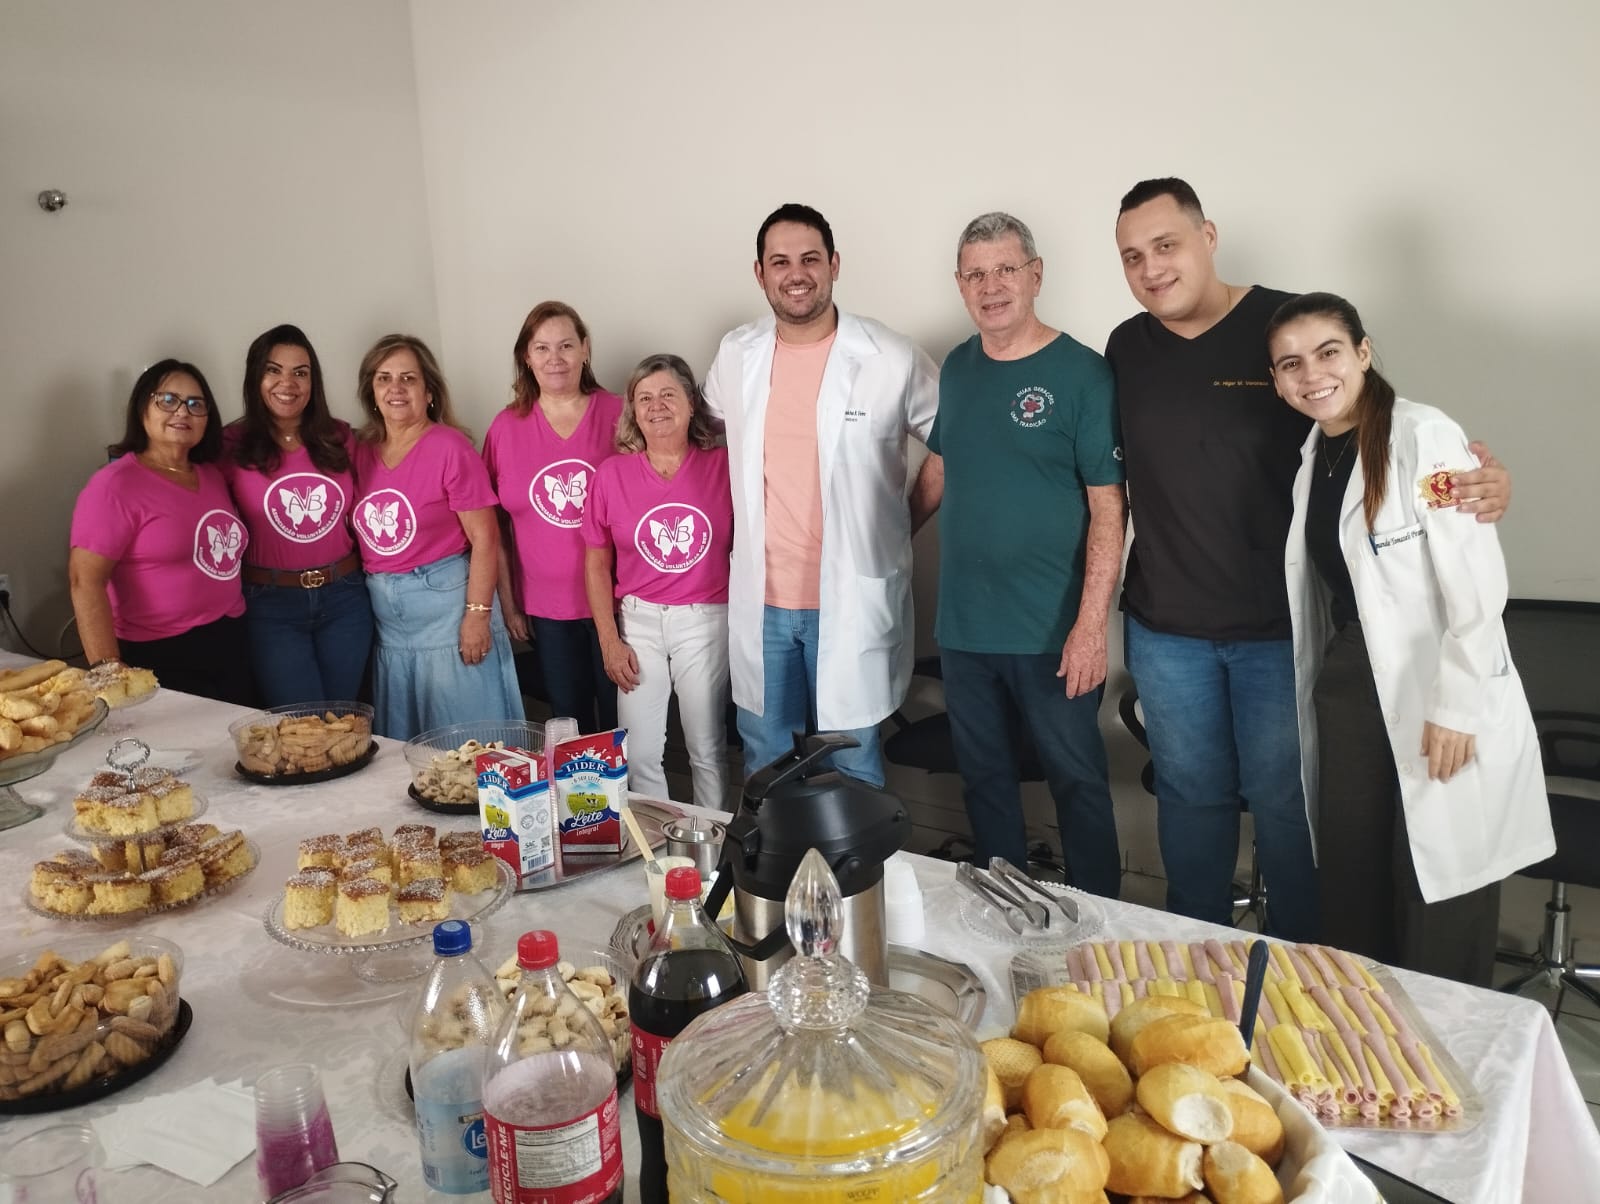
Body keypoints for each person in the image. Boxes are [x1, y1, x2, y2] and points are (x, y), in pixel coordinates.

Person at [1105, 178, 1514, 939]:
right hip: (1167, 630)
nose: (1151, 267)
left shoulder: (1285, 329)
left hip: (1280, 630)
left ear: (1208, 237)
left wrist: (1474, 479)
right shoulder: (1127, 346)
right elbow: (1106, 478)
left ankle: (1302, 964)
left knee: (1291, 808)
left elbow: (1377, 430)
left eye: (1166, 245)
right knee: (1190, 802)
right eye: (1132, 256)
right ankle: (1194, 955)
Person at [1269, 291, 1552, 985]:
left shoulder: (1424, 436)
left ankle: (1445, 1034)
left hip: (1437, 681)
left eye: (1328, 352)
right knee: (1353, 868)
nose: (1312, 374)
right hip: (1349, 679)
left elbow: (1476, 586)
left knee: (1438, 882)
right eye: (1291, 363)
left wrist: (1457, 706)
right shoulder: (1313, 455)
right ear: (1277, 380)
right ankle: (1363, 1022)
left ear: (1363, 352)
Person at [703, 203, 940, 786]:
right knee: (765, 762)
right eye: (780, 262)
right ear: (760, 273)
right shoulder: (736, 354)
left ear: (834, 264)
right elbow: (700, 438)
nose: (796, 274)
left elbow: (955, 444)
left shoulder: (890, 356)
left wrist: (893, 529)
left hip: (850, 597)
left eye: (810, 259)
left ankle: (858, 853)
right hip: (763, 602)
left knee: (852, 760)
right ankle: (774, 854)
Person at [928, 212, 1125, 898]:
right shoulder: (957, 368)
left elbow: (1109, 507)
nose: (992, 286)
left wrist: (1090, 626)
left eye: (1006, 269)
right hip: (965, 627)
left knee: (1077, 780)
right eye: (976, 274)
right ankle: (1002, 910)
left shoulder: (1083, 374)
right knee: (984, 780)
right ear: (960, 285)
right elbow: (939, 469)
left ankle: (1102, 919)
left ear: (1035, 275)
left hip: (1052, 631)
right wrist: (880, 541)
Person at [350, 334, 523, 740]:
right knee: (407, 748)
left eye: (408, 378)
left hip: (449, 612)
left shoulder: (449, 447)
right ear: (371, 391)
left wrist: (477, 616)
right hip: (390, 625)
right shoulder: (359, 451)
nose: (395, 388)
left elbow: (486, 538)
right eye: (384, 378)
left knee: (468, 743)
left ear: (428, 392)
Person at [582, 354, 733, 807]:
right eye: (645, 398)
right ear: (633, 410)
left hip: (705, 619)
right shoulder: (612, 474)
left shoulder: (724, 466)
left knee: (706, 749)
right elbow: (596, 564)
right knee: (640, 752)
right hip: (639, 621)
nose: (657, 406)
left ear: (691, 403)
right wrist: (610, 642)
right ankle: (658, 842)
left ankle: (711, 840)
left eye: (669, 394)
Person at [68, 359, 257, 706]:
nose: (182, 412)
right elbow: (85, 580)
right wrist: (108, 670)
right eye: (168, 400)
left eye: (196, 404)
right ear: (142, 407)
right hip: (160, 651)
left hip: (231, 638)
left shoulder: (212, 475)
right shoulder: (115, 485)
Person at [484, 302, 624, 733]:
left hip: (620, 602)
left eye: (566, 345)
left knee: (625, 722)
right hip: (547, 609)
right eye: (542, 348)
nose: (555, 358)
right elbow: (493, 526)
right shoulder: (505, 427)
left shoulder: (621, 414)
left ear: (585, 348)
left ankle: (631, 783)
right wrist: (509, 603)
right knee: (570, 724)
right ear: (526, 357)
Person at [222, 324, 374, 706]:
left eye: (300, 372)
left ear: (313, 381)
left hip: (345, 596)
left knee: (345, 718)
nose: (287, 383)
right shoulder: (229, 445)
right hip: (270, 603)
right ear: (255, 377)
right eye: (273, 370)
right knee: (301, 723)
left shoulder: (341, 437)